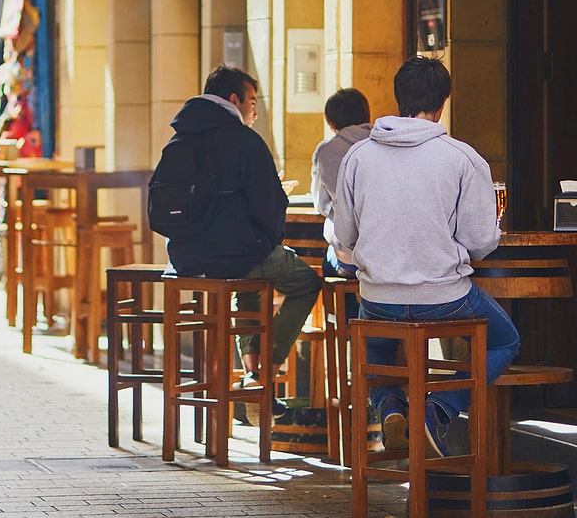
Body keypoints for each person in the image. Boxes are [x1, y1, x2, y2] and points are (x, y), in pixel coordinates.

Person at [329, 56, 520, 457]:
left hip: (378, 298)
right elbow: (481, 241)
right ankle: (438, 409)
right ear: (443, 102)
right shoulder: (463, 158)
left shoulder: (357, 158)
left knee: (374, 348)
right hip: (445, 299)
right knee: (505, 341)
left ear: (397, 98)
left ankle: (390, 406)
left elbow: (345, 236)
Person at [155, 65, 320, 398]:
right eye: (253, 101)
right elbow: (269, 210)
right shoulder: (245, 142)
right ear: (234, 99)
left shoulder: (180, 138)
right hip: (236, 255)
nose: (254, 111)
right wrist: (271, 238)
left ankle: (250, 370)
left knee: (249, 274)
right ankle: (268, 370)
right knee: (304, 282)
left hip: (185, 259)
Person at [311, 88, 371, 296]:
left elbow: (321, 204)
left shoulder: (327, 150)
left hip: (350, 257)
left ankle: (347, 325)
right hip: (389, 256)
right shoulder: (386, 142)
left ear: (332, 124)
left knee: (331, 263)